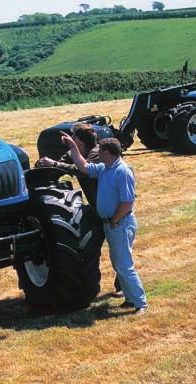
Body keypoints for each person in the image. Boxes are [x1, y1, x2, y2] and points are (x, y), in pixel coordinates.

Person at [60, 133, 147, 314]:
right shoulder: (105, 168)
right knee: (118, 264)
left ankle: (141, 304)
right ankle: (130, 300)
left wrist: (114, 221)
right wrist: (72, 147)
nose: (97, 152)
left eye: (100, 150)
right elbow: (83, 166)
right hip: (113, 224)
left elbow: (127, 202)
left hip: (120, 224)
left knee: (124, 265)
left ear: (108, 153)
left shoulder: (122, 171)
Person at [36, 123, 123, 297]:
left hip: (114, 212)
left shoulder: (97, 154)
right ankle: (92, 284)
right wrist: (43, 165)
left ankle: (123, 287)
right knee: (90, 249)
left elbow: (84, 171)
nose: (70, 138)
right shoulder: (74, 153)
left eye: (73, 136)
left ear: (79, 140)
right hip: (96, 210)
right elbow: (60, 164)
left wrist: (57, 161)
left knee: (118, 253)